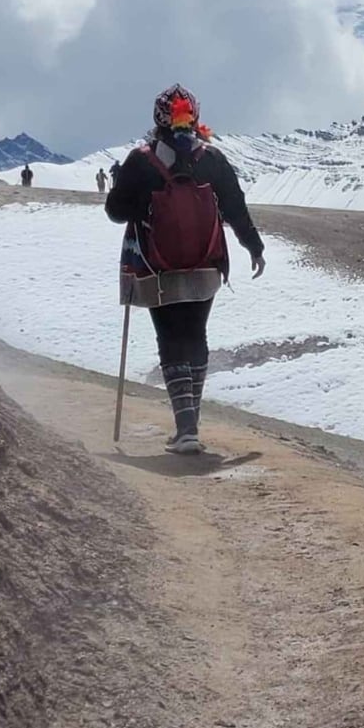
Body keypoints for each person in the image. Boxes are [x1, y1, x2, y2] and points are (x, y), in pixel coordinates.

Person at [105, 85, 265, 455]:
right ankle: (191, 424)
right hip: (206, 264)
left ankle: (185, 427)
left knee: (170, 338)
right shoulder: (212, 158)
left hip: (157, 267)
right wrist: (253, 246)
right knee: (195, 336)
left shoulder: (141, 160)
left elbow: (116, 212)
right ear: (194, 116)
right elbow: (235, 207)